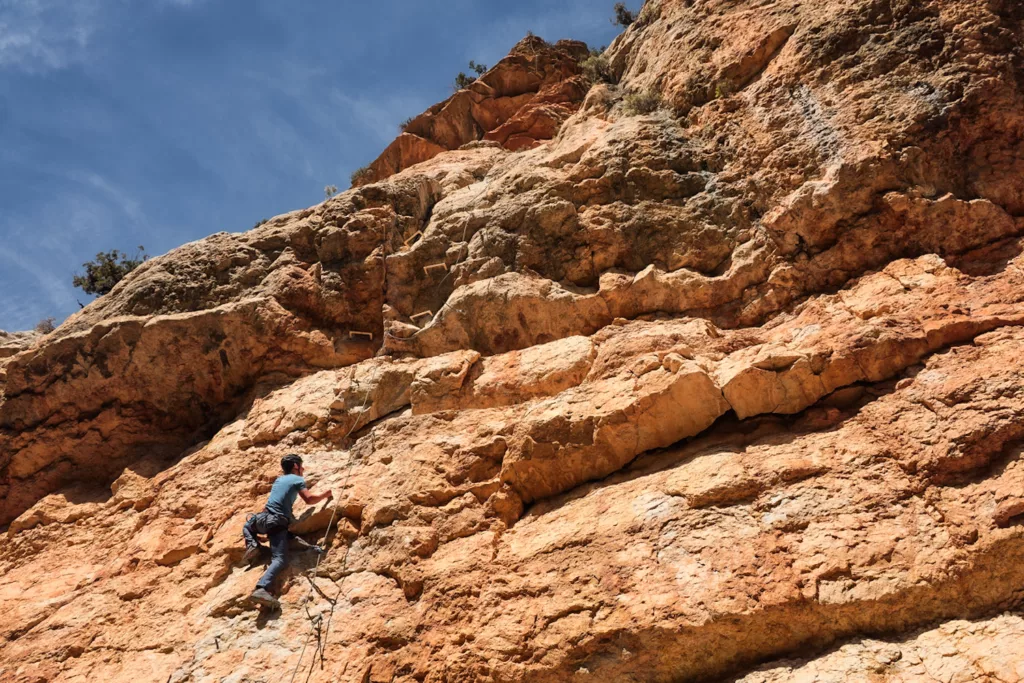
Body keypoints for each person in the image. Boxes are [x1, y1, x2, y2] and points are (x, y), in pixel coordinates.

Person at [243, 454, 333, 609]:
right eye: (301, 466)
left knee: (247, 526)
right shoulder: (297, 479)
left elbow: (271, 505)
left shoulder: (278, 480)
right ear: (296, 466)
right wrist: (326, 494)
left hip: (263, 518)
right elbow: (309, 499)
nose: (303, 469)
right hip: (277, 521)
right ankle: (262, 588)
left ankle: (253, 546)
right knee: (280, 559)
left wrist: (266, 532)